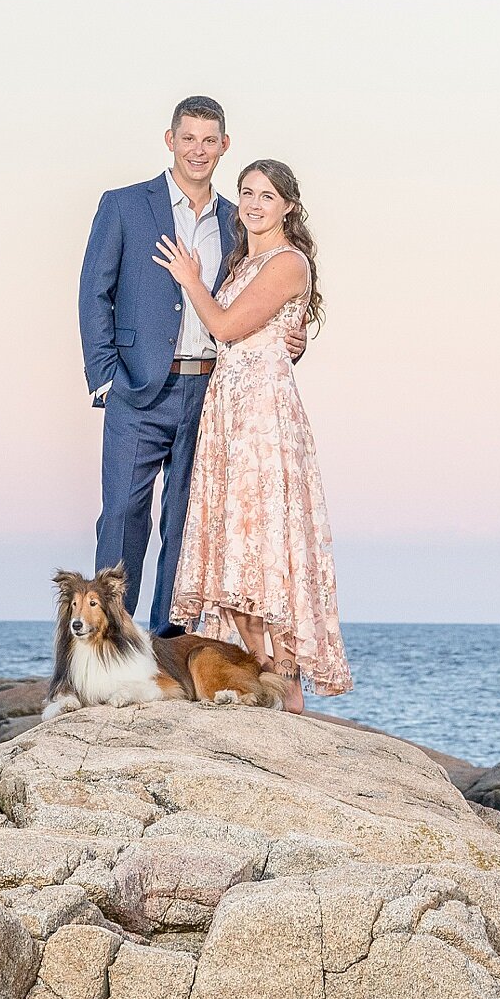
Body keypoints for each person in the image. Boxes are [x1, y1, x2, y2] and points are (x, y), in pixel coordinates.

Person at [80, 97, 282, 632]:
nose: (198, 150)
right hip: (137, 390)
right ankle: (106, 641)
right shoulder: (123, 205)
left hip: (210, 392)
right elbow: (93, 292)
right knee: (121, 517)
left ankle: (168, 644)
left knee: (188, 523)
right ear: (169, 140)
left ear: (225, 146)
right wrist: (106, 377)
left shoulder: (238, 222)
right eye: (188, 138)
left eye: (209, 140)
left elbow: (257, 294)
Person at [160, 157, 351, 712]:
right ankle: (265, 673)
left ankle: (287, 684)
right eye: (246, 192)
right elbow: (260, 329)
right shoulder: (246, 258)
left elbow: (224, 326)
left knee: (267, 547)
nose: (253, 203)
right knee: (232, 554)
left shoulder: (288, 262)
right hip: (229, 411)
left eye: (267, 195)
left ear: (288, 205)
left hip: (264, 418)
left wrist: (190, 279)